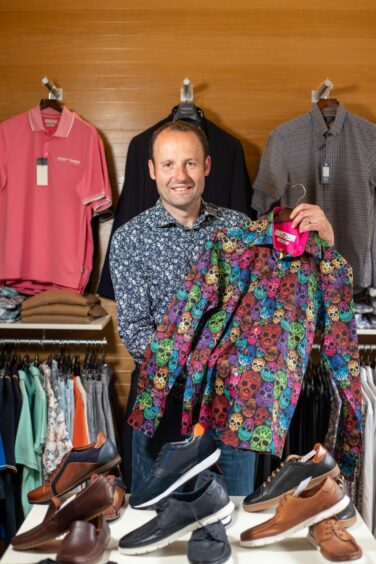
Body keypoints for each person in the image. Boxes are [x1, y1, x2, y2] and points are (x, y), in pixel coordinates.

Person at [110, 120, 335, 495]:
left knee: (230, 512)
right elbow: (134, 331)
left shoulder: (241, 230)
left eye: (190, 163)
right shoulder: (129, 239)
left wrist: (324, 244)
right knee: (152, 518)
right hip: (161, 398)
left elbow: (289, 304)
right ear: (151, 170)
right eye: (168, 164)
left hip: (232, 404)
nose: (179, 175)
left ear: (207, 167)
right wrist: (199, 368)